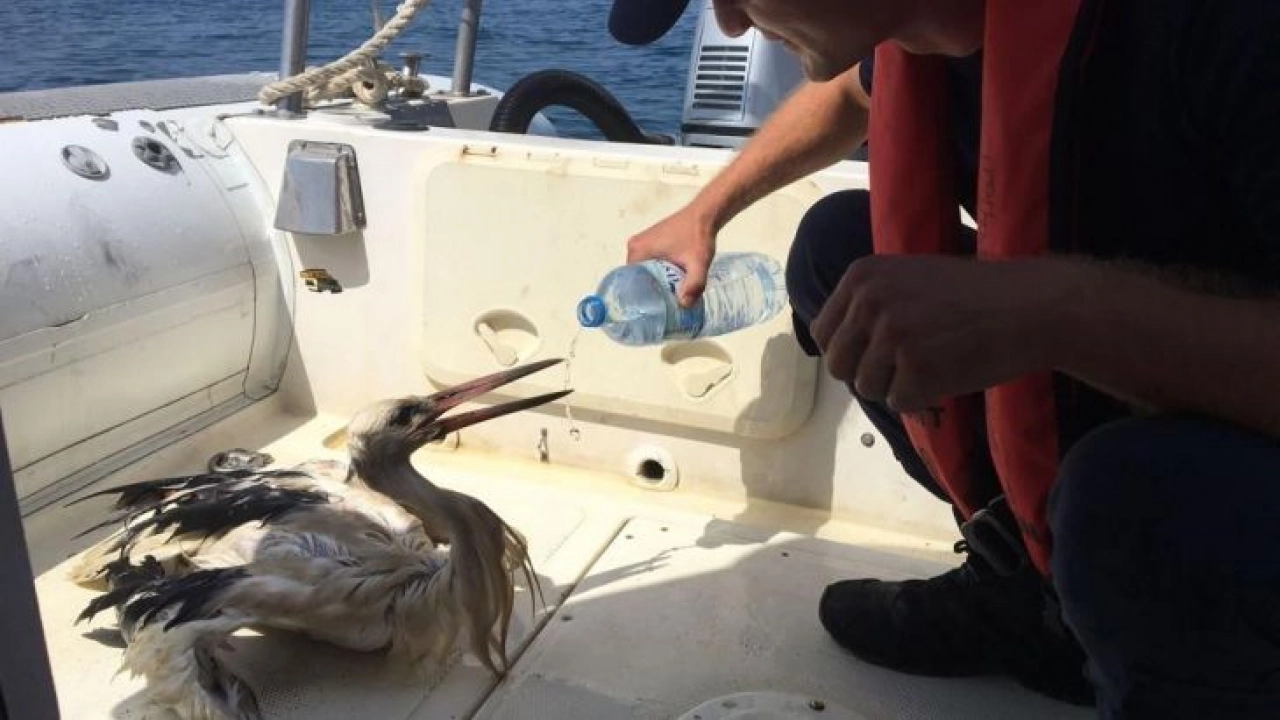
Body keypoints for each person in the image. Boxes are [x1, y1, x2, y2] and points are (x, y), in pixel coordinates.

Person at [605, 1, 1280, 718]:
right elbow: (852, 94)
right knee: (839, 253)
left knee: (1125, 498)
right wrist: (707, 210)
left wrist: (1060, 312)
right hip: (1137, 397)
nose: (732, 24)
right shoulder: (935, 27)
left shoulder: (1226, 25)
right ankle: (1032, 590)